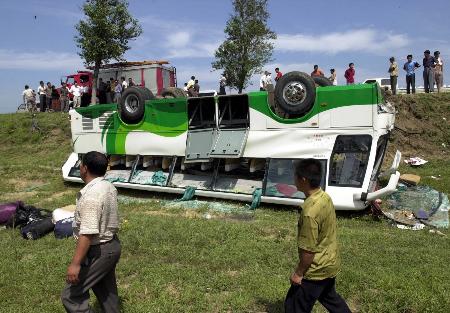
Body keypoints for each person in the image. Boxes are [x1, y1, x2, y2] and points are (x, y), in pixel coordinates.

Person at [285, 159, 351, 313]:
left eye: (295, 176)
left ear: (303, 180)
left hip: (315, 270)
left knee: (293, 306)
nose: (293, 179)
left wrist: (298, 273)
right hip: (330, 263)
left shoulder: (309, 212)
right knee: (331, 299)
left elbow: (308, 250)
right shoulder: (324, 196)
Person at [61, 151, 121, 313]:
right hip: (112, 245)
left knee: (71, 295)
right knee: (106, 292)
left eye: (80, 165)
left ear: (84, 168)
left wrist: (75, 264)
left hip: (99, 250)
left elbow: (88, 233)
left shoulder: (91, 196)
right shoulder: (108, 186)